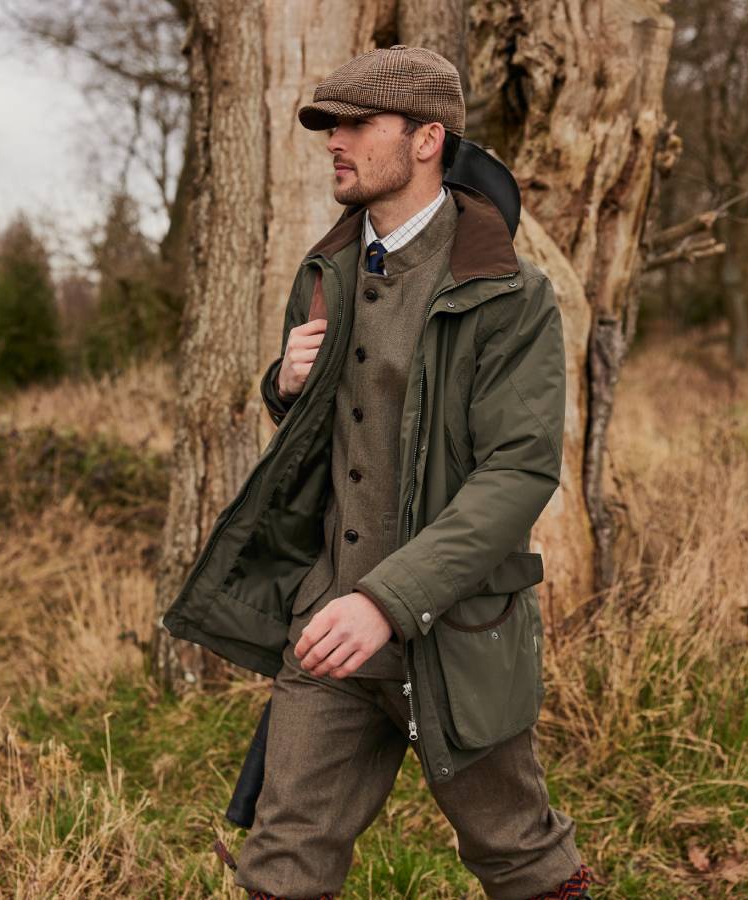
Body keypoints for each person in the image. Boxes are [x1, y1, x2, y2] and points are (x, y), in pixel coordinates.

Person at [163, 44, 592, 900]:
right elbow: (340, 444)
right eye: (330, 125)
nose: (335, 141)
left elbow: (516, 475)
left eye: (359, 124)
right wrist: (286, 388)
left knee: (518, 855)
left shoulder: (507, 292)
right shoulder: (322, 275)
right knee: (280, 862)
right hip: (328, 626)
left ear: (427, 138)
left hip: (456, 628)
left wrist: (386, 601)